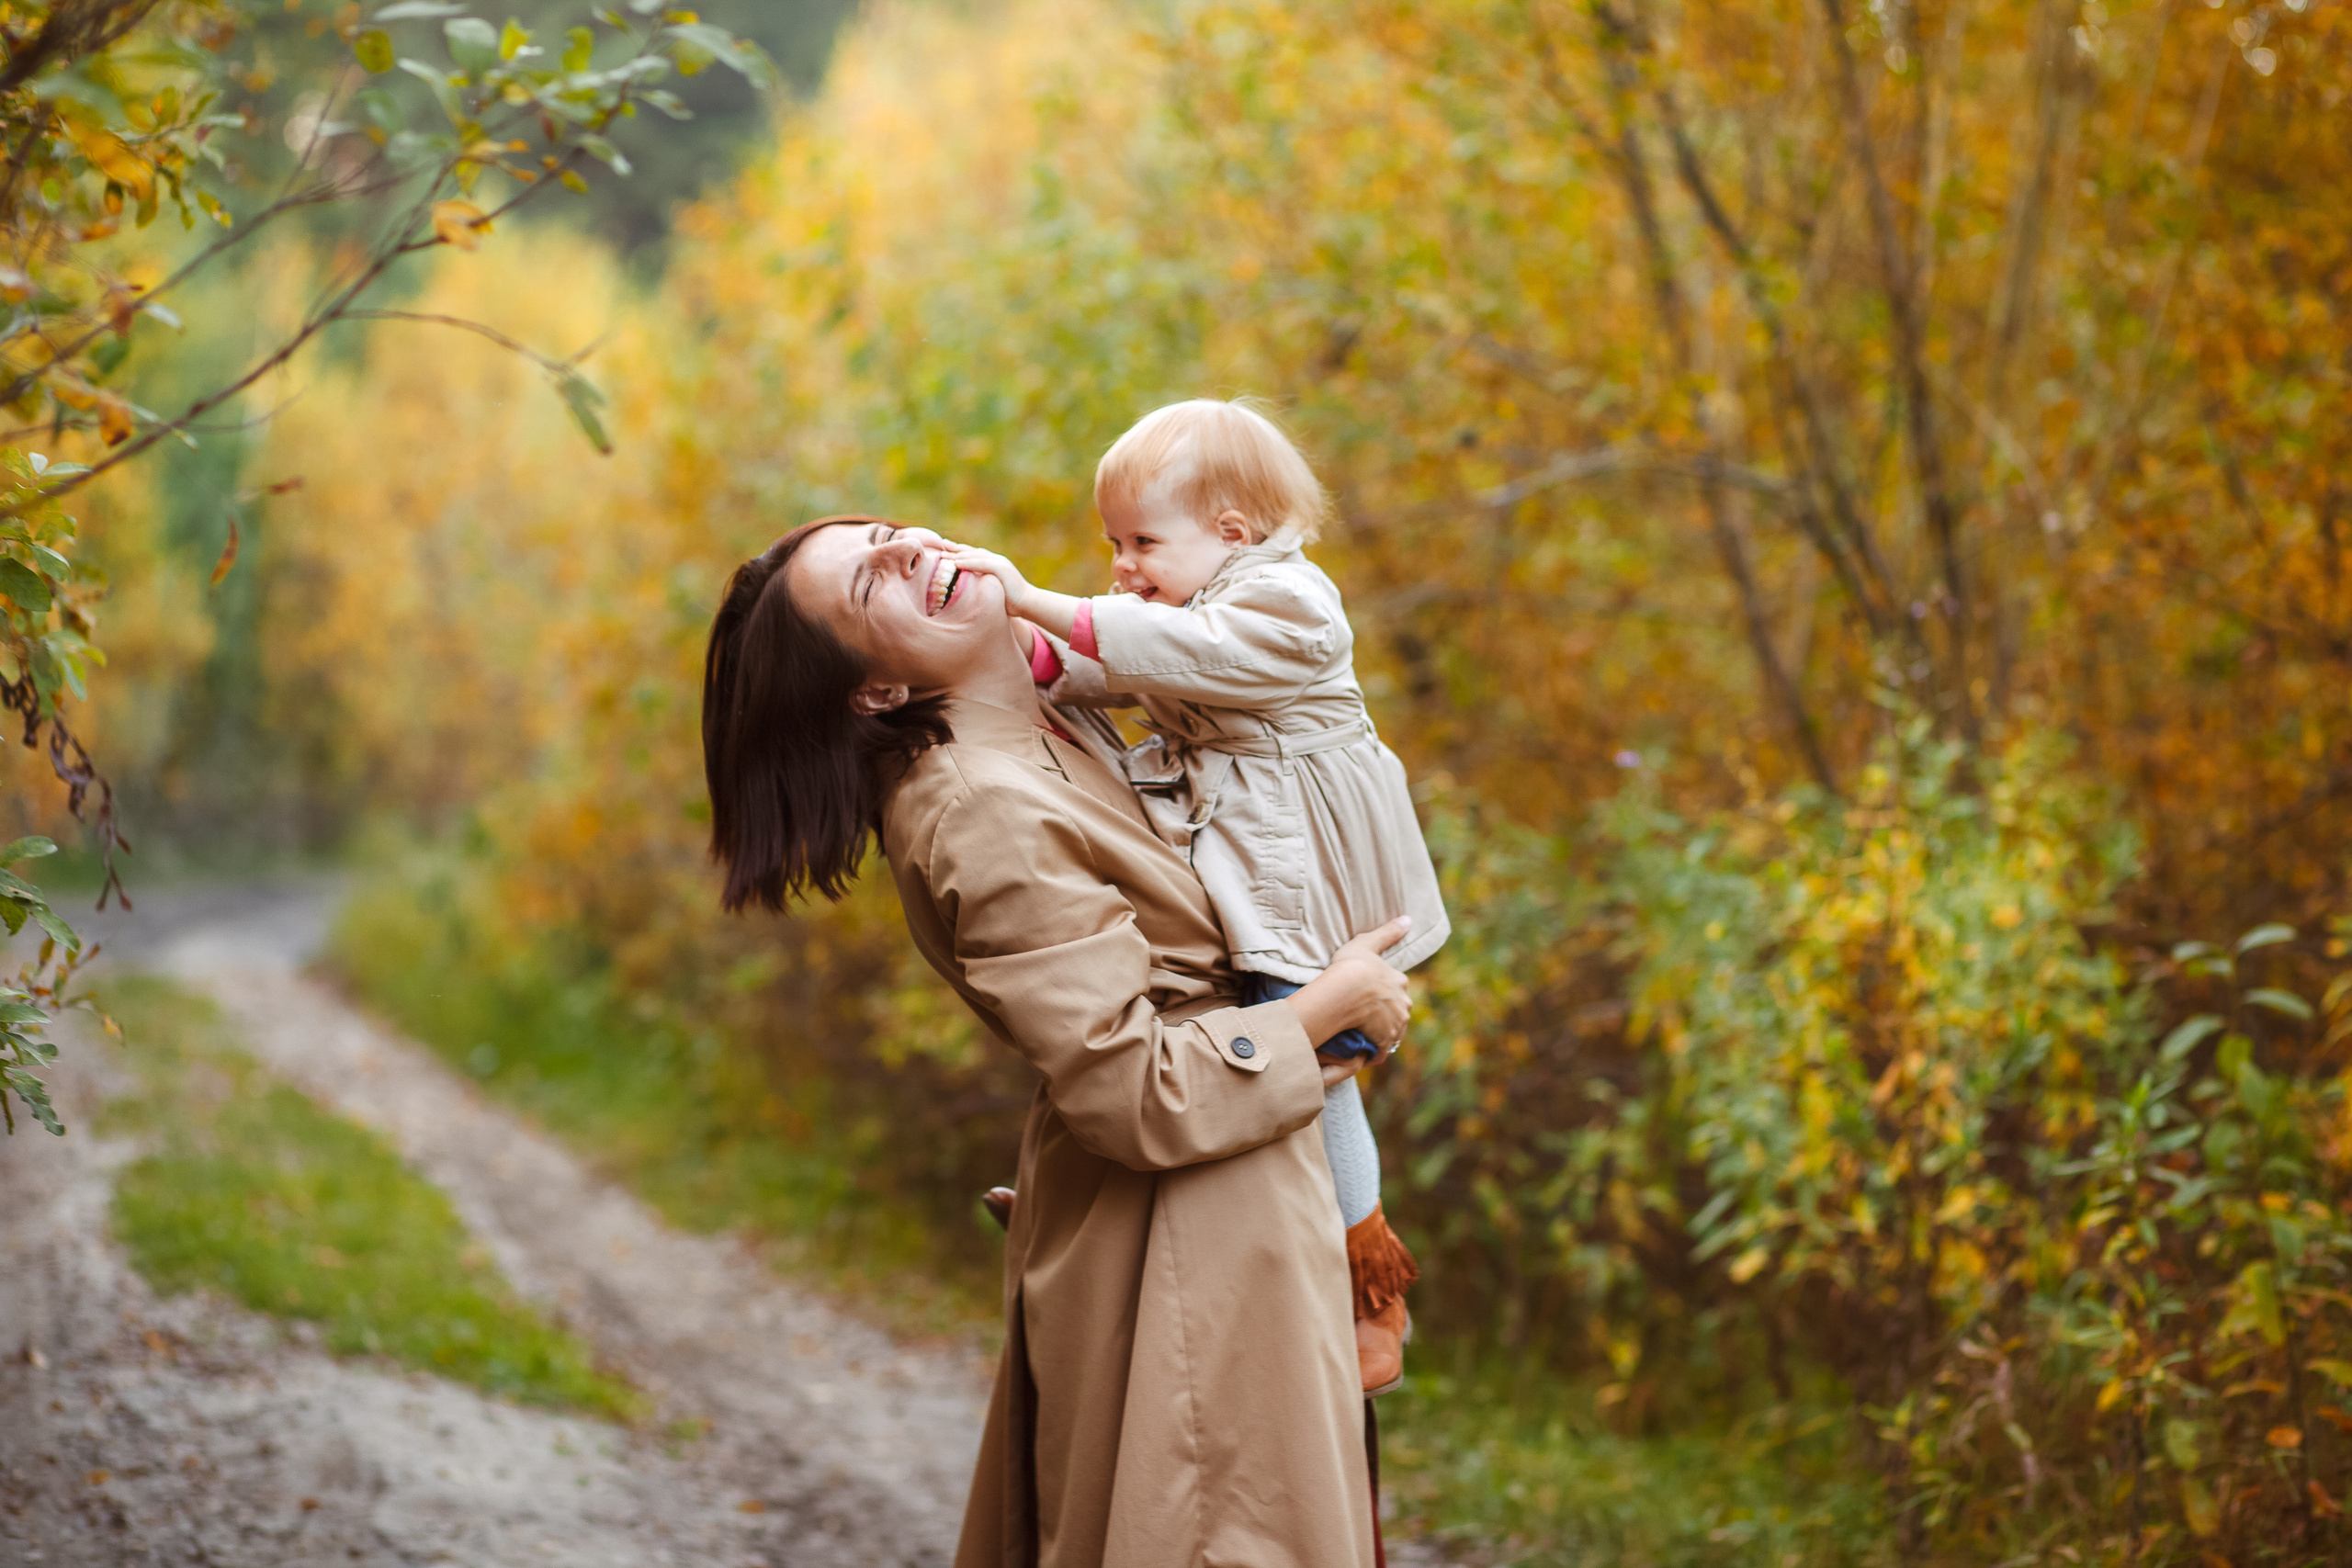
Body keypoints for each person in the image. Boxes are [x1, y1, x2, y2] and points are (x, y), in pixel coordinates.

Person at [700, 514, 1413, 1567]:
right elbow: (1128, 1087)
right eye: (872, 584)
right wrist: (1328, 1007)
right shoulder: (974, 804)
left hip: (1239, 1203)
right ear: (875, 691)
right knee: (1223, 1533)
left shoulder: (1055, 718)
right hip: (1185, 1238)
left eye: (895, 533)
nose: (911, 556)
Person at [940, 398, 1450, 1394]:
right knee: (1172, 1032)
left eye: (1140, 541)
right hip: (1248, 852)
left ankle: (1371, 1292)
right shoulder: (1191, 602)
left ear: (1229, 534)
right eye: (1112, 544)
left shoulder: (1292, 605)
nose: (1123, 565)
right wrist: (1015, 655)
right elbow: (1110, 664)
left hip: (1308, 867)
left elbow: (1169, 654)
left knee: (1290, 1048)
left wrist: (1032, 599)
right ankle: (1103, 1200)